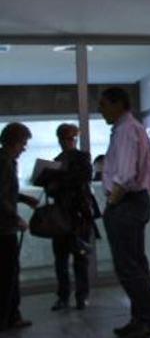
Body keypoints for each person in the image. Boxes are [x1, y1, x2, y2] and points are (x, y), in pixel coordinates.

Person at [99, 87, 150, 337]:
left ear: (119, 104)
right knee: (135, 265)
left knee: (128, 267)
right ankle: (141, 318)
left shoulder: (127, 130)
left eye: (104, 104)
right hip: (132, 202)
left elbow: (126, 174)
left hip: (126, 202)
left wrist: (111, 204)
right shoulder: (126, 128)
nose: (100, 109)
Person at [45, 123, 94, 311]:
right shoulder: (56, 160)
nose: (67, 142)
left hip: (79, 213)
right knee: (61, 258)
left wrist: (59, 182)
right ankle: (63, 296)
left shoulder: (82, 157)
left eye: (71, 138)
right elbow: (51, 188)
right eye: (64, 139)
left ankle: (81, 296)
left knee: (80, 256)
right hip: (61, 213)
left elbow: (84, 177)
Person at [0, 123, 39, 331]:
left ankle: (11, 315)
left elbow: (7, 192)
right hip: (4, 229)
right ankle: (8, 318)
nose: (23, 148)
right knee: (8, 274)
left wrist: (24, 199)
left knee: (9, 272)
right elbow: (1, 197)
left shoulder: (6, 161)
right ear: (13, 142)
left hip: (5, 227)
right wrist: (17, 219)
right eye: (23, 144)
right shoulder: (5, 162)